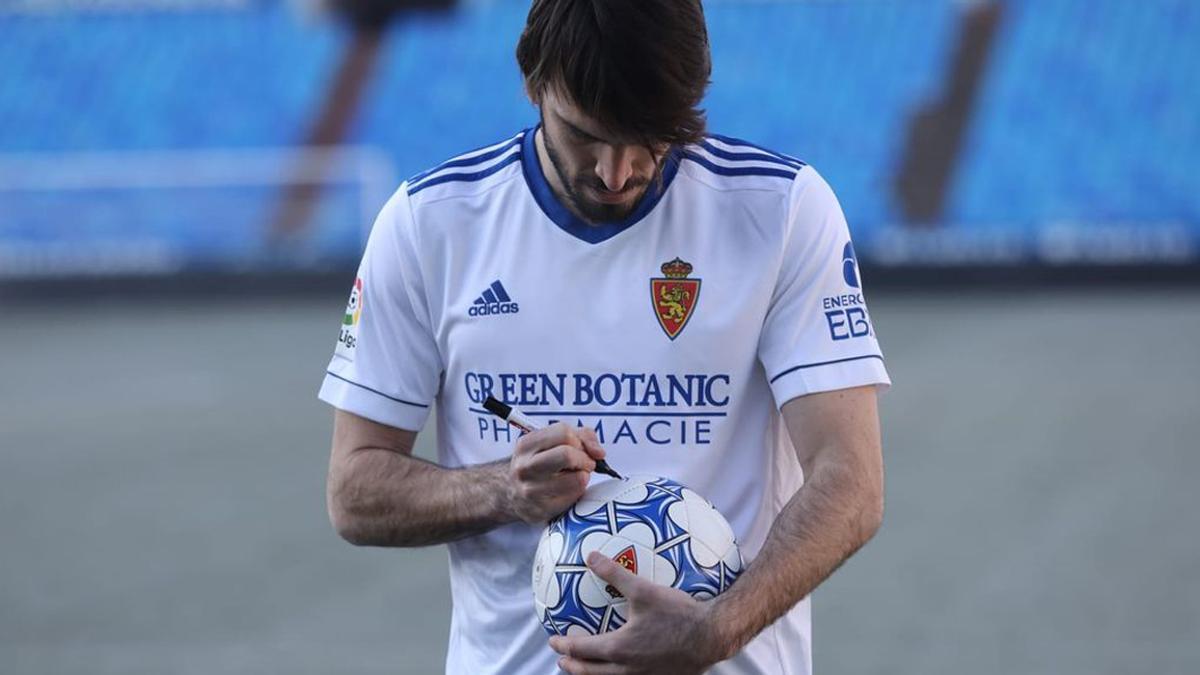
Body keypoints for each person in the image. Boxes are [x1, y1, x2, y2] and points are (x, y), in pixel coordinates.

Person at [317, 1, 890, 673]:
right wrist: (503, 489)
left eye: (650, 136)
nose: (616, 173)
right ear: (533, 82)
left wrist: (714, 631)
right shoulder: (430, 224)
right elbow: (354, 489)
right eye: (584, 135)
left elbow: (852, 479)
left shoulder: (783, 209)